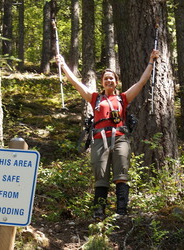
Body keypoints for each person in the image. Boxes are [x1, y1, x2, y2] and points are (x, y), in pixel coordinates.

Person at [56, 49, 160, 219]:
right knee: (100, 176)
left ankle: (121, 212)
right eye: (106, 79)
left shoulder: (123, 98)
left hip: (120, 138)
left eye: (112, 78)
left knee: (121, 175)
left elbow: (142, 82)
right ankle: (99, 212)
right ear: (102, 82)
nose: (109, 80)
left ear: (116, 82)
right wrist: (63, 66)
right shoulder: (94, 98)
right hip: (99, 139)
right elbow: (75, 83)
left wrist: (151, 61)